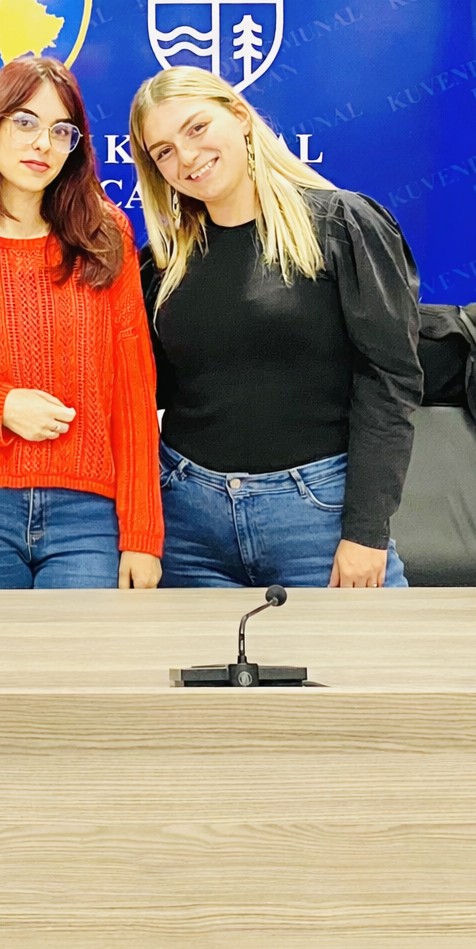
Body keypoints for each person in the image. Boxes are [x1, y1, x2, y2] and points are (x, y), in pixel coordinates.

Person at [129, 66, 423, 590]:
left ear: (240, 117)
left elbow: (389, 382)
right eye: (164, 151)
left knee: (367, 669)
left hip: (318, 518)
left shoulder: (341, 226)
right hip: (185, 525)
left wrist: (366, 532)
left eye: (197, 128)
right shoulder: (161, 264)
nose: (187, 157)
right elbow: (139, 395)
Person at [0, 57, 163, 589]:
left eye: (60, 130)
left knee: (76, 672)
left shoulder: (105, 240)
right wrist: (0, 408)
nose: (42, 143)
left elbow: (133, 394)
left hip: (88, 517)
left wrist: (142, 535)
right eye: (24, 122)